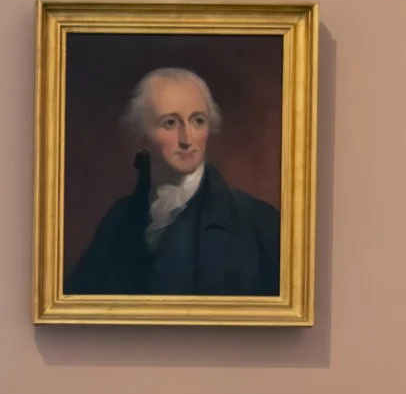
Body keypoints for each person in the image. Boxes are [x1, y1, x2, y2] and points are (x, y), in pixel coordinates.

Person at [65, 67, 280, 297]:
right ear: (142, 136)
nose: (187, 139)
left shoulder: (260, 224)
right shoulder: (118, 219)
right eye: (170, 123)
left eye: (198, 121)